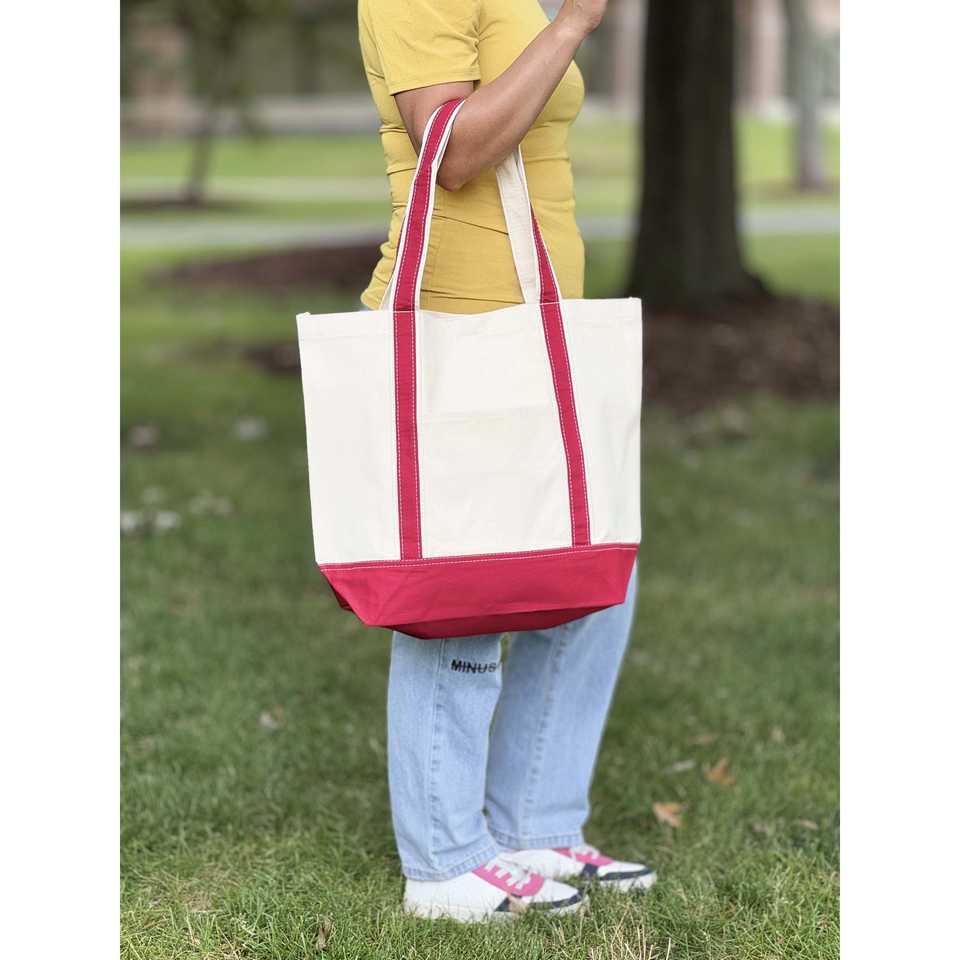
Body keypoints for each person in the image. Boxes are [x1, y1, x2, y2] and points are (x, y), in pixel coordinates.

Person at [357, 0, 655, 922]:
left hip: (540, 324)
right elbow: (453, 153)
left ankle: (534, 823)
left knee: (596, 569)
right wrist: (572, 27)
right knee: (462, 591)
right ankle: (443, 862)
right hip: (459, 326)